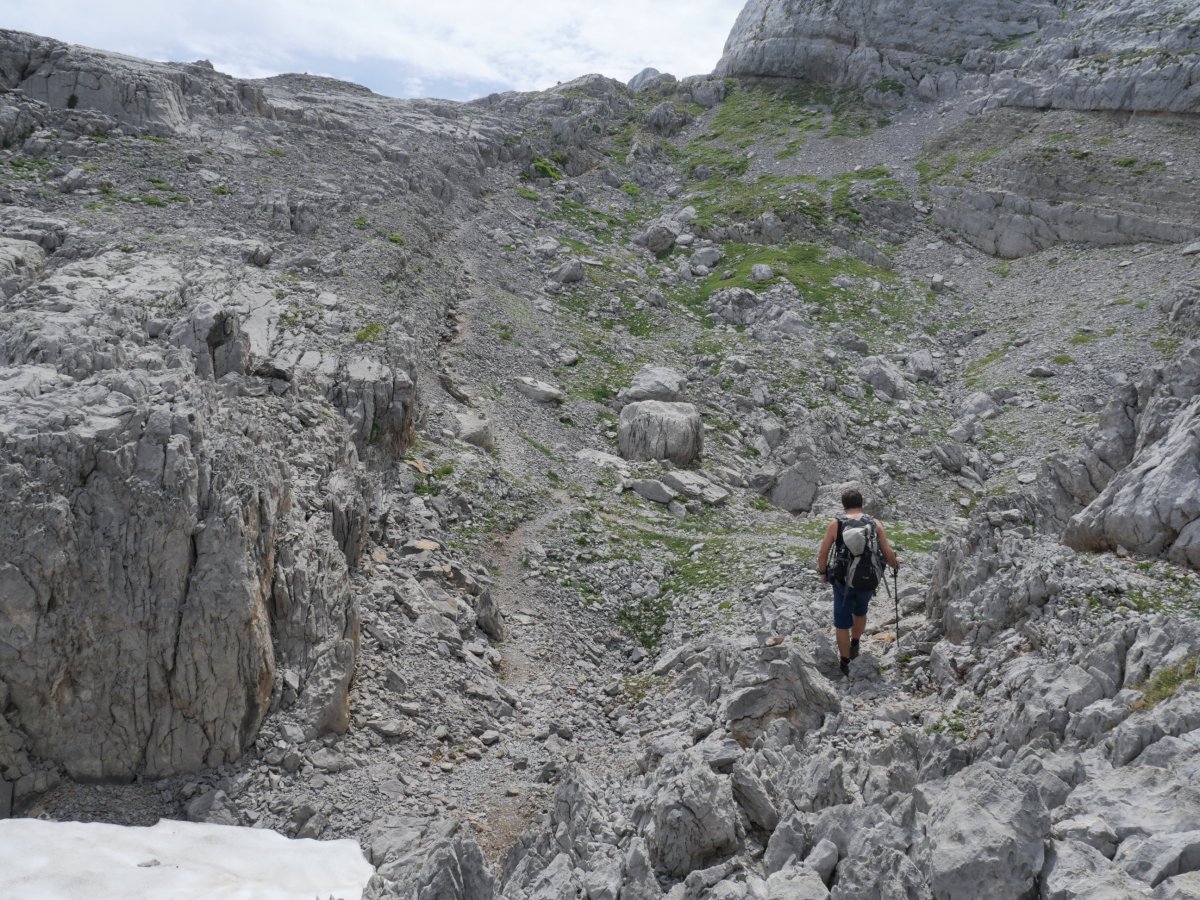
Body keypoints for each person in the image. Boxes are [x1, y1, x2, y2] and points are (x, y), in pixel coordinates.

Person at [817, 488, 901, 676]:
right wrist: (895, 564)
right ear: (862, 502)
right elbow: (887, 552)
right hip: (867, 579)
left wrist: (823, 573)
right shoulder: (874, 523)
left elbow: (823, 554)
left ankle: (845, 661)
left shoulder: (836, 524)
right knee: (860, 612)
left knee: (841, 622)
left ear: (843, 505)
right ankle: (855, 643)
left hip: (842, 582)